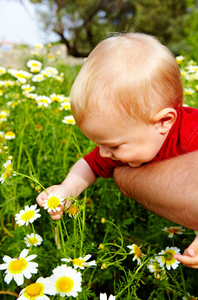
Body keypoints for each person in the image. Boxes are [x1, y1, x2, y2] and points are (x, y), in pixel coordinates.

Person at [36, 33, 198, 268]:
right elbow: (89, 165)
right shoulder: (125, 139)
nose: (102, 153)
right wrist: (67, 189)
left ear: (163, 122)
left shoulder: (193, 134)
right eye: (98, 143)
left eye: (113, 146)